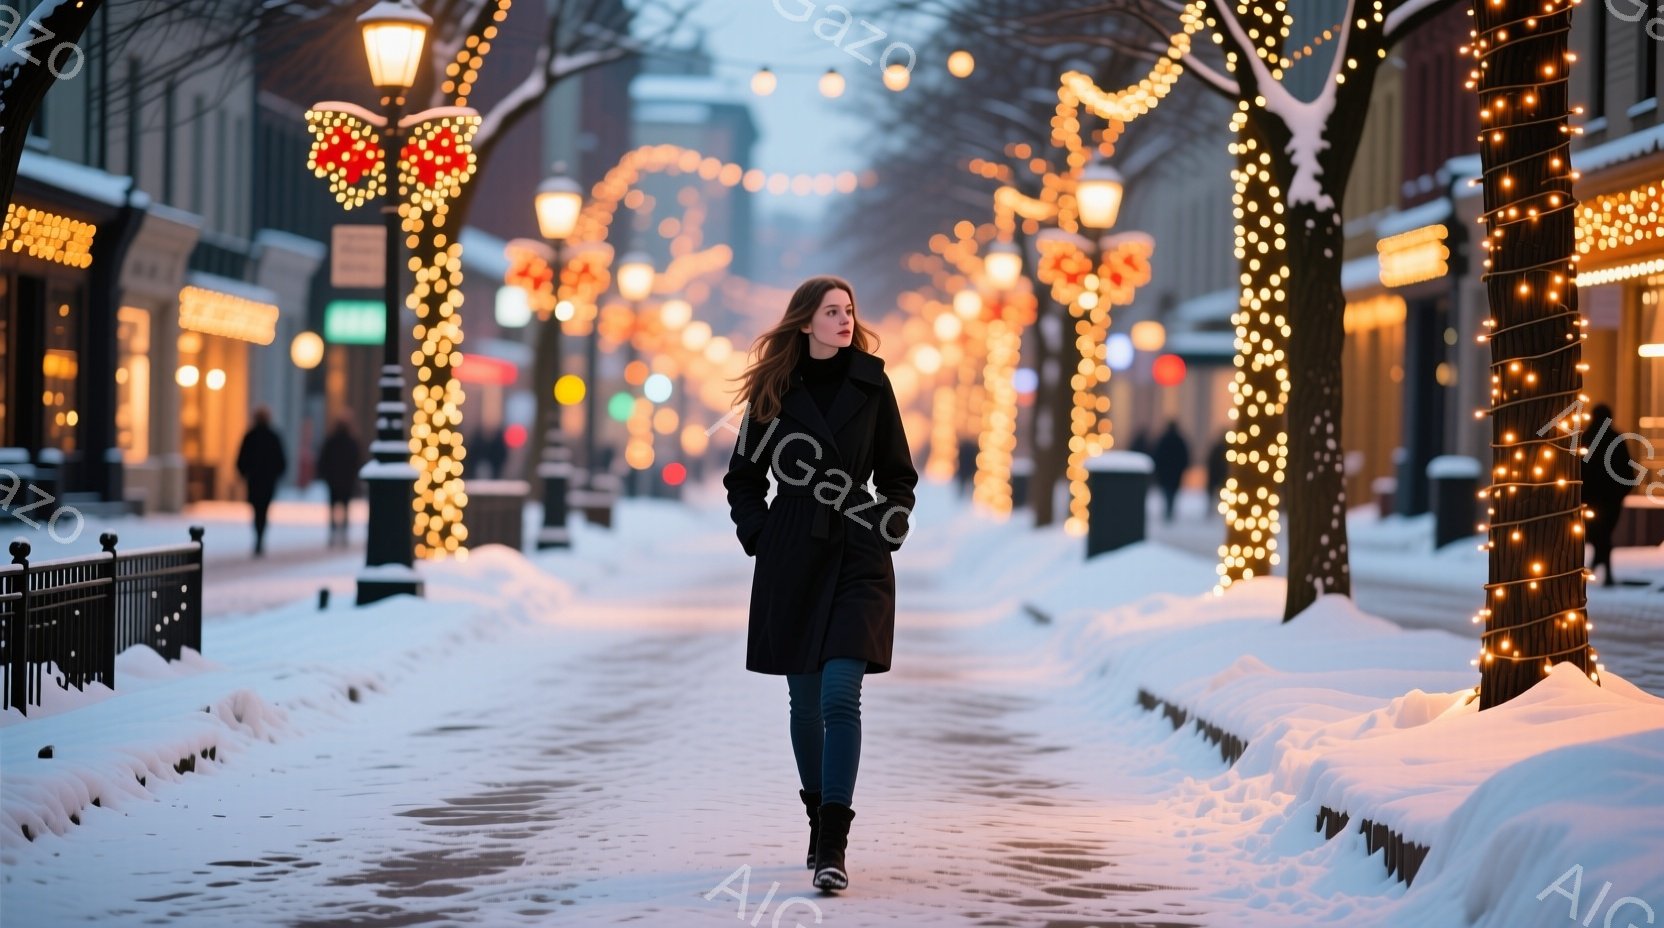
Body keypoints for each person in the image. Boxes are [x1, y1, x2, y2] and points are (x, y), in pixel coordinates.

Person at [723, 275, 918, 894]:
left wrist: (887, 526)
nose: (844, 320)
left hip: (858, 553)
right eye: (831, 311)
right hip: (793, 558)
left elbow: (898, 473)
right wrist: (764, 535)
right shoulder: (773, 391)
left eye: (849, 310)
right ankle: (815, 817)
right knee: (804, 703)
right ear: (805, 322)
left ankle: (833, 838)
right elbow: (743, 480)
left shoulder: (872, 381)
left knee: (840, 694)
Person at [1582, 404, 1638, 587]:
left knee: (1597, 534)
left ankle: (1600, 564)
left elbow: (1579, 469)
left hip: (1590, 498)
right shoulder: (1616, 439)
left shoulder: (1586, 438)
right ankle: (1603, 567)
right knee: (1604, 534)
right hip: (1610, 499)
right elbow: (1626, 470)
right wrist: (1620, 493)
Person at [235, 407, 287, 557]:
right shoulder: (273, 437)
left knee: (256, 510)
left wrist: (244, 473)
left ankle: (258, 536)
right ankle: (260, 536)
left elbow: (241, 459)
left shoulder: (250, 436)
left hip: (255, 480)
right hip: (267, 481)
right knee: (263, 510)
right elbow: (281, 461)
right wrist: (276, 474)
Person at [316, 413, 363, 549]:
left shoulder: (331, 440)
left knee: (333, 507)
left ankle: (333, 531)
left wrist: (324, 474)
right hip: (347, 480)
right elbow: (357, 461)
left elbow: (323, 460)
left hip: (333, 480)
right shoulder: (352, 442)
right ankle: (343, 532)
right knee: (345, 507)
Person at [1152, 420, 1191, 523]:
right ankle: (1170, 510)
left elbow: (1157, 456)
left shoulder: (1163, 440)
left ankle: (1168, 510)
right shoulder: (1180, 440)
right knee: (1173, 492)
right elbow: (1185, 456)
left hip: (1165, 472)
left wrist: (1158, 469)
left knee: (1167, 492)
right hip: (1176, 472)